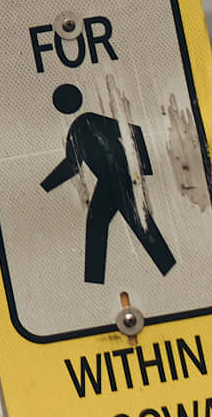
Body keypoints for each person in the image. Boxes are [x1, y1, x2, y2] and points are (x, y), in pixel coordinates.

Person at [39, 82, 177, 285]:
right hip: (110, 181)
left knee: (132, 222)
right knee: (112, 222)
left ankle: (166, 268)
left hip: (121, 176)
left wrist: (142, 169)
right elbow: (72, 166)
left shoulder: (87, 122)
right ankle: (96, 282)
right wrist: (44, 188)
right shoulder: (77, 129)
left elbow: (134, 131)